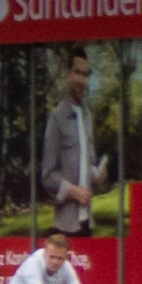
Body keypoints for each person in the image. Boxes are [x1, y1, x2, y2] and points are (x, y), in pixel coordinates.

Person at [39, 49, 111, 235]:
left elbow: (87, 164)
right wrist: (73, 192)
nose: (81, 80)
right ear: (68, 74)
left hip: (87, 223)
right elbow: (47, 176)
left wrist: (97, 174)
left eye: (85, 75)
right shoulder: (57, 118)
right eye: (77, 73)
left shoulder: (87, 115)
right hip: (66, 227)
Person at [1, 230, 97, 284]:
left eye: (60, 258)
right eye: (52, 257)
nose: (55, 262)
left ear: (66, 256)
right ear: (44, 252)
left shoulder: (66, 266)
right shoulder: (33, 263)